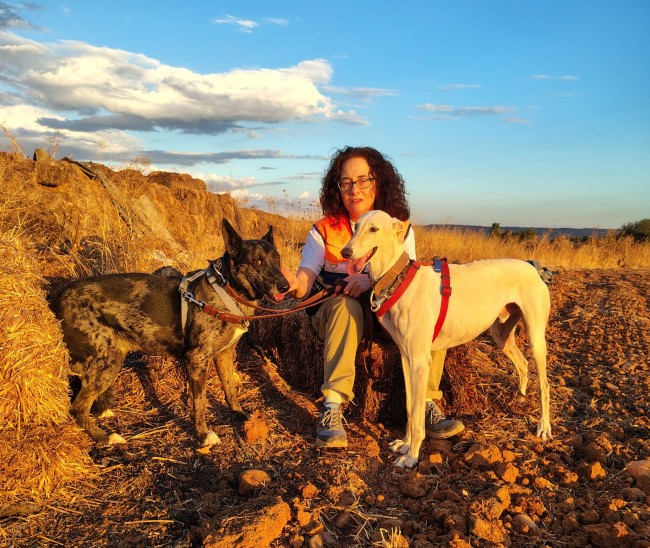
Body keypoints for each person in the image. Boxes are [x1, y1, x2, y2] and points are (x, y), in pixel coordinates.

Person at [283, 146, 464, 448]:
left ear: (378, 181)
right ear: (336, 188)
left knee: (427, 312)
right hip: (338, 316)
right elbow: (305, 280)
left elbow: (408, 281)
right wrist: (292, 284)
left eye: (362, 180)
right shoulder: (323, 230)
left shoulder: (397, 228)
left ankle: (427, 404)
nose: (354, 189)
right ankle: (332, 406)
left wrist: (368, 280)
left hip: (385, 311)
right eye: (345, 182)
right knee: (345, 305)